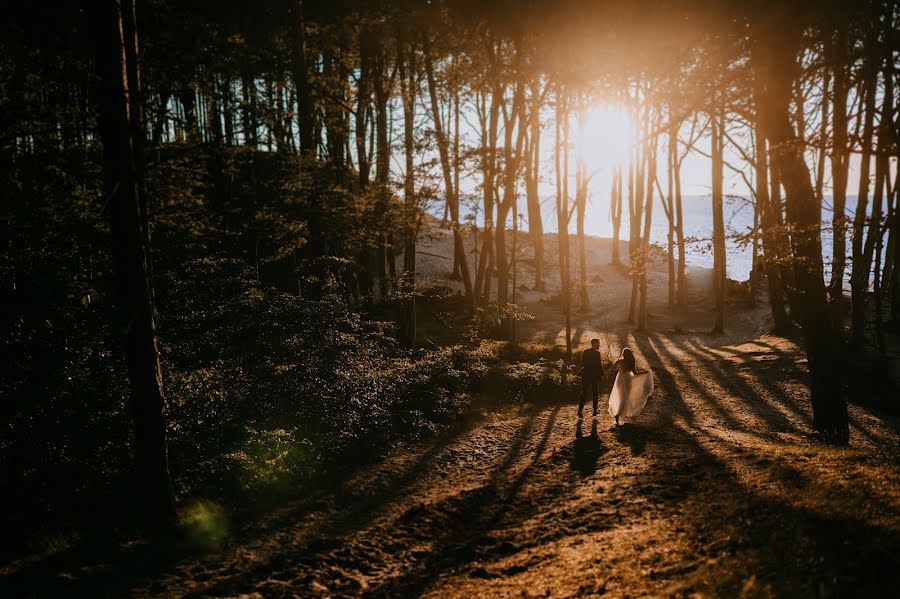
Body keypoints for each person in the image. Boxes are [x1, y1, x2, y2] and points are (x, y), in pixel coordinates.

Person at [606, 347, 653, 425]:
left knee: (623, 398)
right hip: (626, 380)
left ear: (623, 354)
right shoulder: (629, 360)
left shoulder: (621, 361)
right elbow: (635, 373)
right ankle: (618, 415)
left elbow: (611, 369)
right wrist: (645, 372)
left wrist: (606, 375)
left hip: (623, 380)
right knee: (624, 398)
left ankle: (619, 414)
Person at [577, 338, 605, 418]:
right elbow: (599, 365)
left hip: (585, 375)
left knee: (583, 393)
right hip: (595, 376)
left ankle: (580, 410)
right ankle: (595, 411)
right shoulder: (597, 353)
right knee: (595, 393)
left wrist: (587, 368)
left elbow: (582, 362)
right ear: (595, 343)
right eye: (598, 343)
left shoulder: (585, 351)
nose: (599, 345)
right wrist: (603, 374)